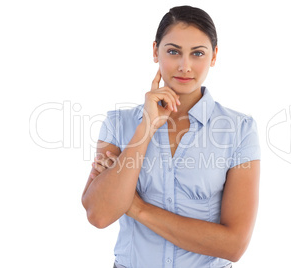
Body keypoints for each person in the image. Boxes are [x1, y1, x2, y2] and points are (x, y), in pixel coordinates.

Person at [82, 5, 261, 268]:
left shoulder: (239, 130)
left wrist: (136, 208)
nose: (185, 66)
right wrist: (146, 128)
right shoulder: (118, 124)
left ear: (213, 56)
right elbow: (99, 215)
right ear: (156, 51)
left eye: (198, 53)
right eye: (173, 51)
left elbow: (233, 245)